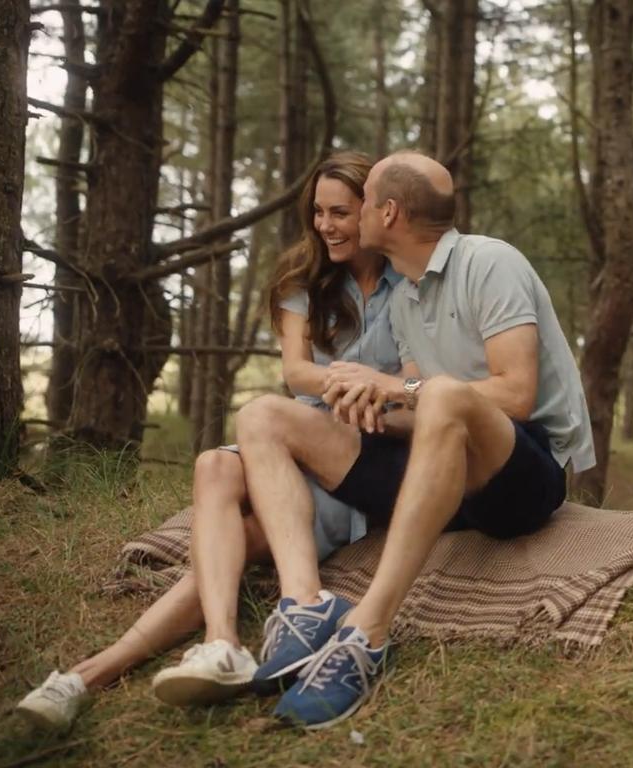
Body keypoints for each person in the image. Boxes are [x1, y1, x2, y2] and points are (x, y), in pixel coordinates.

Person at [15, 151, 403, 729]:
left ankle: (87, 675)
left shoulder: (410, 282)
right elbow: (296, 373)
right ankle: (222, 642)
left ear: (375, 212)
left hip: (351, 463)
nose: (325, 225)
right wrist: (350, 381)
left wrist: (377, 393)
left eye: (340, 213)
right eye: (318, 212)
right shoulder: (306, 280)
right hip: (292, 441)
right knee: (213, 468)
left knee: (226, 553)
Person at [234, 150, 596, 729]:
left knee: (450, 395)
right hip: (440, 474)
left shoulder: (490, 262)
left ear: (389, 212)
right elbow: (414, 405)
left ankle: (367, 632)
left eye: (365, 203)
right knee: (262, 415)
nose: (350, 218)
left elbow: (515, 394)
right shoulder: (403, 293)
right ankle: (304, 605)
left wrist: (396, 385)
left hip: (519, 474)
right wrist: (371, 404)